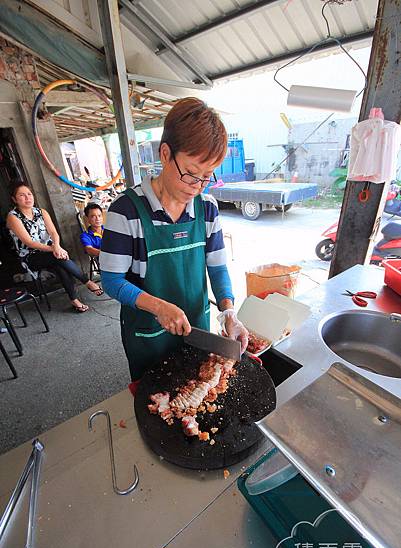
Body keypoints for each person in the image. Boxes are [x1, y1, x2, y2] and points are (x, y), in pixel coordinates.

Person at [100, 97, 248, 382]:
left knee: (198, 395)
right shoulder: (125, 212)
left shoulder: (207, 208)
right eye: (191, 173)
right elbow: (112, 281)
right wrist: (158, 307)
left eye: (207, 176)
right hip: (148, 334)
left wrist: (229, 312)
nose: (198, 186)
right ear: (165, 154)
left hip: (198, 327)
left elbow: (217, 268)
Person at [7, 181, 103, 313]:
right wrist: (54, 249)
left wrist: (57, 246)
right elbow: (29, 242)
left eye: (29, 194)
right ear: (14, 199)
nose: (27, 197)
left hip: (51, 252)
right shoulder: (13, 217)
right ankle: (87, 281)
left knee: (60, 264)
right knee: (58, 258)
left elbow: (53, 233)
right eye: (22, 195)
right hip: (30, 257)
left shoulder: (41, 212)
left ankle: (75, 300)